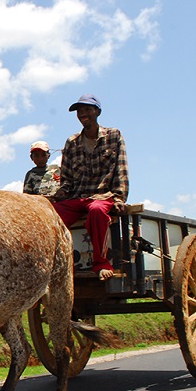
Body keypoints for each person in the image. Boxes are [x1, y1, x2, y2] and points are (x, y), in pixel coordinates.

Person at [48, 94, 129, 280]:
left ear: (97, 112)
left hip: (103, 196)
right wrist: (58, 196)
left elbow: (121, 170)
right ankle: (53, 262)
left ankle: (101, 262)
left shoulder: (114, 135)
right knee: (49, 215)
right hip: (77, 197)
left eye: (87, 110)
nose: (83, 114)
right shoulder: (72, 142)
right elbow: (66, 179)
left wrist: (119, 198)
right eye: (79, 111)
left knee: (97, 210)